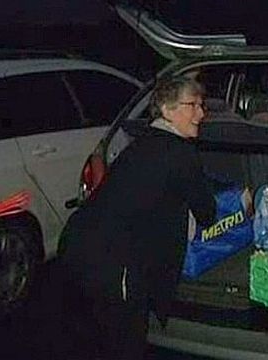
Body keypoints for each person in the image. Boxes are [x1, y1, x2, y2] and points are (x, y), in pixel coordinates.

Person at [57, 76, 216, 360]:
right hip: (110, 264)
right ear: (166, 110)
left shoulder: (140, 143)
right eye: (192, 105)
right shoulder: (180, 152)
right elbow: (207, 212)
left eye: (201, 105)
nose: (201, 114)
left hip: (74, 247)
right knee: (125, 344)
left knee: (91, 340)